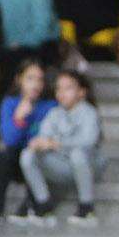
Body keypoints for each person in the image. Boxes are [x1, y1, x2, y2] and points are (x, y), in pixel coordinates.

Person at [16, 69, 104, 226]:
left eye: (68, 88)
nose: (62, 93)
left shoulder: (89, 113)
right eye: (59, 88)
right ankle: (43, 203)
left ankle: (86, 206)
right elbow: (44, 136)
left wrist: (56, 144)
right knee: (28, 155)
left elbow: (87, 141)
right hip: (63, 165)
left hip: (88, 164)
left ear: (81, 92)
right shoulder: (54, 113)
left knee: (78, 154)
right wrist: (38, 143)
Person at [0, 60, 54, 223]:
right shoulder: (10, 103)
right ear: (19, 80)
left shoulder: (50, 106)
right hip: (16, 157)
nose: (35, 85)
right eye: (30, 79)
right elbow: (9, 139)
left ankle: (29, 204)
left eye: (40, 80)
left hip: (38, 158)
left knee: (33, 157)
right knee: (6, 155)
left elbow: (47, 137)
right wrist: (19, 119)